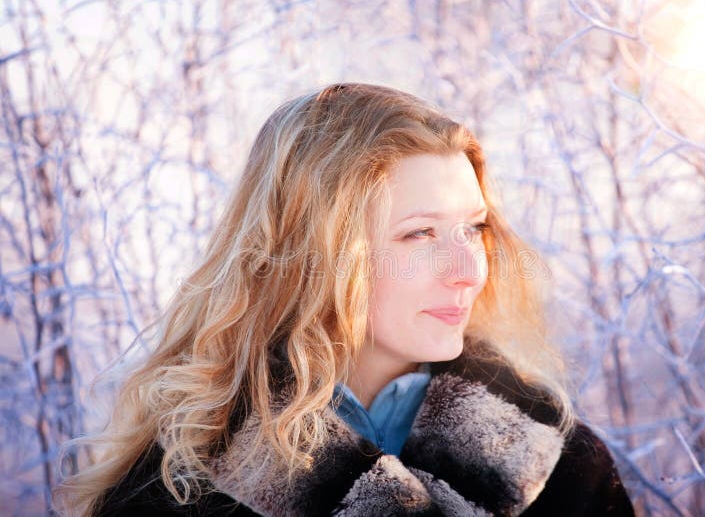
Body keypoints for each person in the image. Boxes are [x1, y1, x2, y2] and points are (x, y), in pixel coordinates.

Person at [54, 83, 634, 516]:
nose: (466, 271)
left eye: (474, 228)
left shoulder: (556, 462)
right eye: (420, 233)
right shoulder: (186, 483)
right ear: (314, 252)